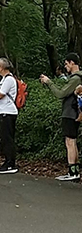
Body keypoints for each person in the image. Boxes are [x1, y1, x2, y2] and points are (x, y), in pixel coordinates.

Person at [40, 52, 82, 181]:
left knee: (70, 142)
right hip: (74, 112)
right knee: (72, 141)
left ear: (72, 63)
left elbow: (61, 93)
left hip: (70, 112)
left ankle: (72, 172)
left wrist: (49, 82)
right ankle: (74, 171)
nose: (65, 67)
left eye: (66, 63)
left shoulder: (75, 79)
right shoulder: (76, 78)